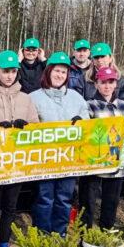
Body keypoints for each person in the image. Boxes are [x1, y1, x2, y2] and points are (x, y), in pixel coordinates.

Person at [0, 50, 40, 247]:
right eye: (5, 71)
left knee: (10, 207)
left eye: (13, 71)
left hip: (17, 163)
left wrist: (27, 127)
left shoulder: (25, 98)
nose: (9, 76)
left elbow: (36, 127)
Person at [29, 52, 90, 235]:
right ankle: (42, 235)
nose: (60, 75)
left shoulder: (76, 98)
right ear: (48, 71)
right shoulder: (34, 97)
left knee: (64, 198)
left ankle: (60, 234)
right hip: (44, 160)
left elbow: (87, 126)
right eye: (57, 71)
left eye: (64, 72)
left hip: (68, 159)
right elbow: (29, 128)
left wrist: (82, 122)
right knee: (44, 198)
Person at [78, 67, 124, 229]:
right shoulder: (89, 105)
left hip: (117, 162)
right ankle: (85, 235)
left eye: (110, 82)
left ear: (115, 84)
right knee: (87, 202)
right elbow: (84, 134)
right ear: (96, 84)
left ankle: (106, 232)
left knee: (111, 202)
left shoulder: (123, 106)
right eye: (103, 82)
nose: (107, 86)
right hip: (94, 163)